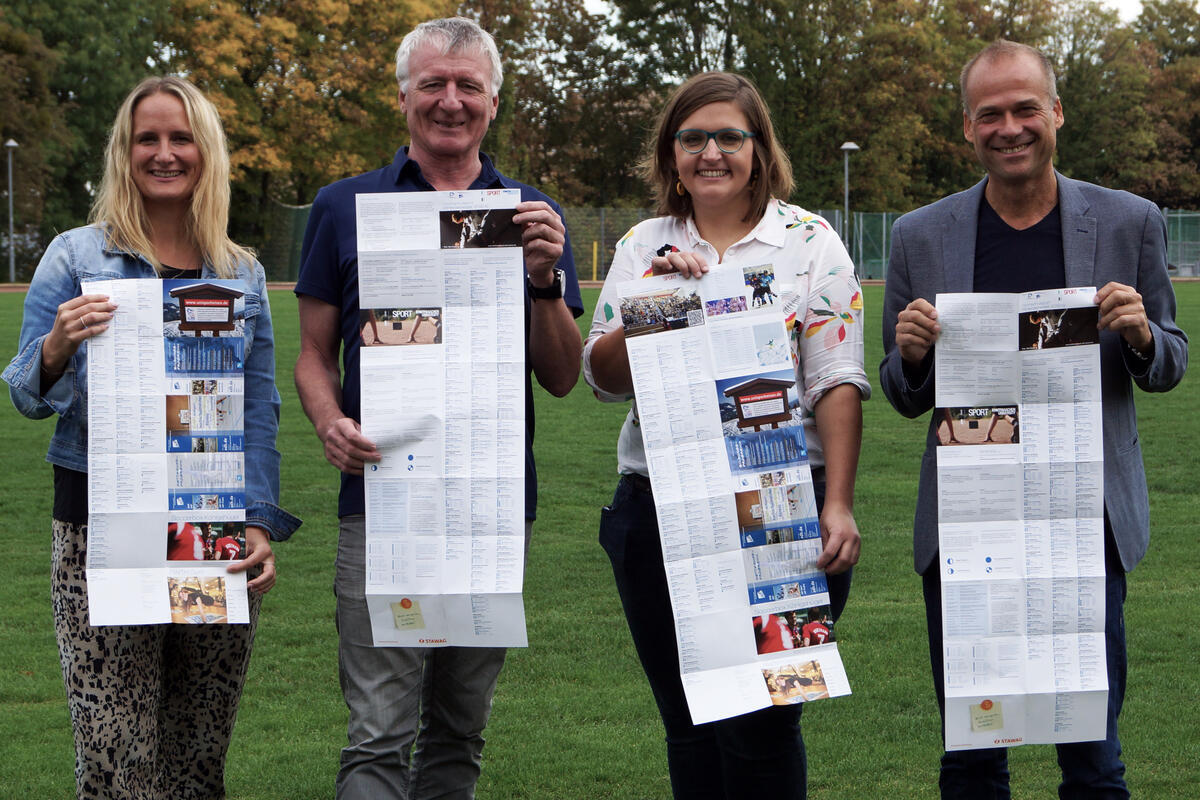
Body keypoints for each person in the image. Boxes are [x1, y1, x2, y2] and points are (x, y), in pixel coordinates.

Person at [879, 40, 1187, 799]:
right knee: (973, 755)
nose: (1009, 127)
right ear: (967, 127)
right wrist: (911, 356)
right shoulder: (918, 234)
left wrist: (1143, 336)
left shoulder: (1129, 221)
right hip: (968, 525)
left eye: (1025, 108)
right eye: (990, 114)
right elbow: (903, 392)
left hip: (1083, 523)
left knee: (1093, 757)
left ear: (1056, 112)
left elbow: (1172, 362)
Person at [292, 17, 583, 800]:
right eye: (433, 84)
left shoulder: (530, 213)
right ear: (403, 97)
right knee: (378, 735)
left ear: (493, 102)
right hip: (382, 502)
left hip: (492, 508)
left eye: (468, 86)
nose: (451, 101)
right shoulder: (343, 206)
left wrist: (544, 283)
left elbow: (562, 377)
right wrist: (327, 420)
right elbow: (314, 354)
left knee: (460, 730)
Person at [3, 76, 300, 799]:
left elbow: (258, 410)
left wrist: (258, 522)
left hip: (209, 529)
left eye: (181, 138)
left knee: (196, 756)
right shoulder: (76, 257)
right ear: (124, 151)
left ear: (206, 151)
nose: (164, 153)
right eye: (148, 139)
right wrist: (56, 347)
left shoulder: (241, 273)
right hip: (101, 526)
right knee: (115, 760)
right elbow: (25, 394)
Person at [583, 71, 868, 800]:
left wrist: (837, 503)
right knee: (688, 726)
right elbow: (603, 379)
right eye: (693, 138)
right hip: (658, 507)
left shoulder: (809, 241)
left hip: (780, 508)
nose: (711, 153)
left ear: (759, 149)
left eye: (729, 137)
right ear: (671, 153)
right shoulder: (644, 244)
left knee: (765, 726)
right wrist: (659, 301)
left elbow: (836, 380)